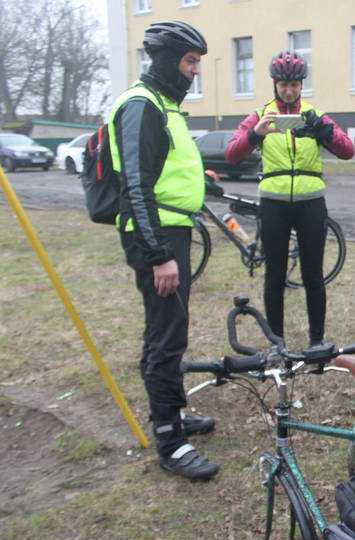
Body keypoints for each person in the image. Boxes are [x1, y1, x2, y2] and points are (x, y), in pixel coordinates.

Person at [110, 21, 218, 481]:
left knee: (169, 328)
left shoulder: (163, 105)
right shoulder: (141, 105)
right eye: (190, 61)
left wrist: (199, 180)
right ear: (166, 58)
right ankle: (170, 441)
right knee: (166, 335)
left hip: (172, 228)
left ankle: (172, 412)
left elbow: (163, 168)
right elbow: (135, 184)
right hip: (156, 235)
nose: (194, 72)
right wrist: (158, 254)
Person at [225, 51, 354, 345]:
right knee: (275, 276)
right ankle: (277, 343)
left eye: (295, 84)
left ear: (301, 84)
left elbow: (348, 150)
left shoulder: (313, 114)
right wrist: (255, 134)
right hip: (274, 204)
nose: (289, 90)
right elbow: (232, 154)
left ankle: (317, 341)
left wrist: (324, 131)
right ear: (274, 83)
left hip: (311, 204)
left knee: (313, 275)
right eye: (284, 84)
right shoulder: (261, 114)